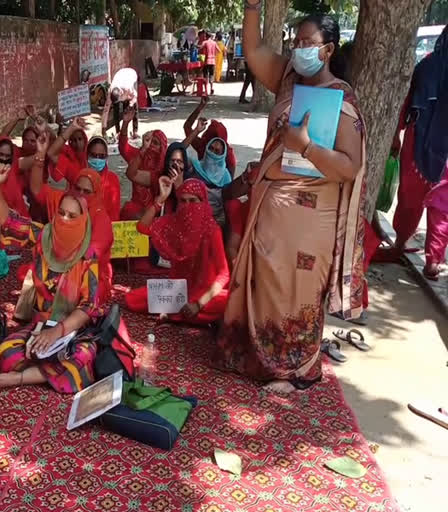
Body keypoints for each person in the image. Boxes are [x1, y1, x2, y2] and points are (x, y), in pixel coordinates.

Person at [215, 10, 366, 394]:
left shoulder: (341, 98)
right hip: (272, 206)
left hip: (313, 217)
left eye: (307, 43)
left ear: (328, 49)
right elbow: (251, 48)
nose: (299, 50)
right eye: (295, 42)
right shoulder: (287, 79)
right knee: (266, 282)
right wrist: (252, 6)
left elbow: (349, 167)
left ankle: (296, 368)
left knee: (299, 290)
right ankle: (258, 357)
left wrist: (308, 148)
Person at [0, 162, 105, 391]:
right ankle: (47, 374)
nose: (65, 220)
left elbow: (89, 306)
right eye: (61, 213)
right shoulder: (43, 237)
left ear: (83, 220)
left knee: (83, 357)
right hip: (41, 323)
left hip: (73, 329)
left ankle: (21, 378)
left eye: (72, 216)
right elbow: (7, 221)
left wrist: (57, 332)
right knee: (6, 353)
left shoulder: (88, 256)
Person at [374, 26, 448, 280]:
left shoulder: (427, 66)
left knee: (410, 197)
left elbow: (406, 103)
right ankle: (433, 259)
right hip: (444, 150)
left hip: (417, 143)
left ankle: (400, 242)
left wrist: (396, 132)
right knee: (442, 205)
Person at [126, 178, 229, 325]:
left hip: (203, 294)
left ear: (203, 202)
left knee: (230, 302)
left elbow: (224, 274)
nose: (188, 206)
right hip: (178, 291)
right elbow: (142, 227)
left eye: (193, 201)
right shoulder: (175, 223)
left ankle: (178, 313)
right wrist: (160, 199)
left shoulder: (212, 230)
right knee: (133, 299)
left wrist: (199, 304)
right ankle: (182, 313)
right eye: (183, 201)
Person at [31, 132, 115, 304]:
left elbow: (91, 254)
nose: (81, 194)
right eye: (78, 189)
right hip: (61, 270)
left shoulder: (101, 219)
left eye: (87, 191)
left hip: (89, 274)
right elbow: (37, 191)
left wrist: (62, 273)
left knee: (84, 297)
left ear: (96, 193)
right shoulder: (66, 202)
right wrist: (39, 155)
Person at [120, 129, 168, 220]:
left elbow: (180, 149)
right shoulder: (139, 155)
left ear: (162, 147)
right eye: (150, 142)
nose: (151, 146)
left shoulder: (164, 166)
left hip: (155, 212)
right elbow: (123, 148)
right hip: (135, 210)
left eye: (155, 143)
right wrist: (125, 123)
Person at [102, 67, 139, 138]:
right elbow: (106, 111)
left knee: (134, 108)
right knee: (116, 110)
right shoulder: (111, 92)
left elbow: (135, 96)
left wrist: (130, 105)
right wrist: (103, 129)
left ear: (121, 93)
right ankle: (118, 132)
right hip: (120, 75)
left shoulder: (128, 87)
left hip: (131, 74)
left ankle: (135, 131)